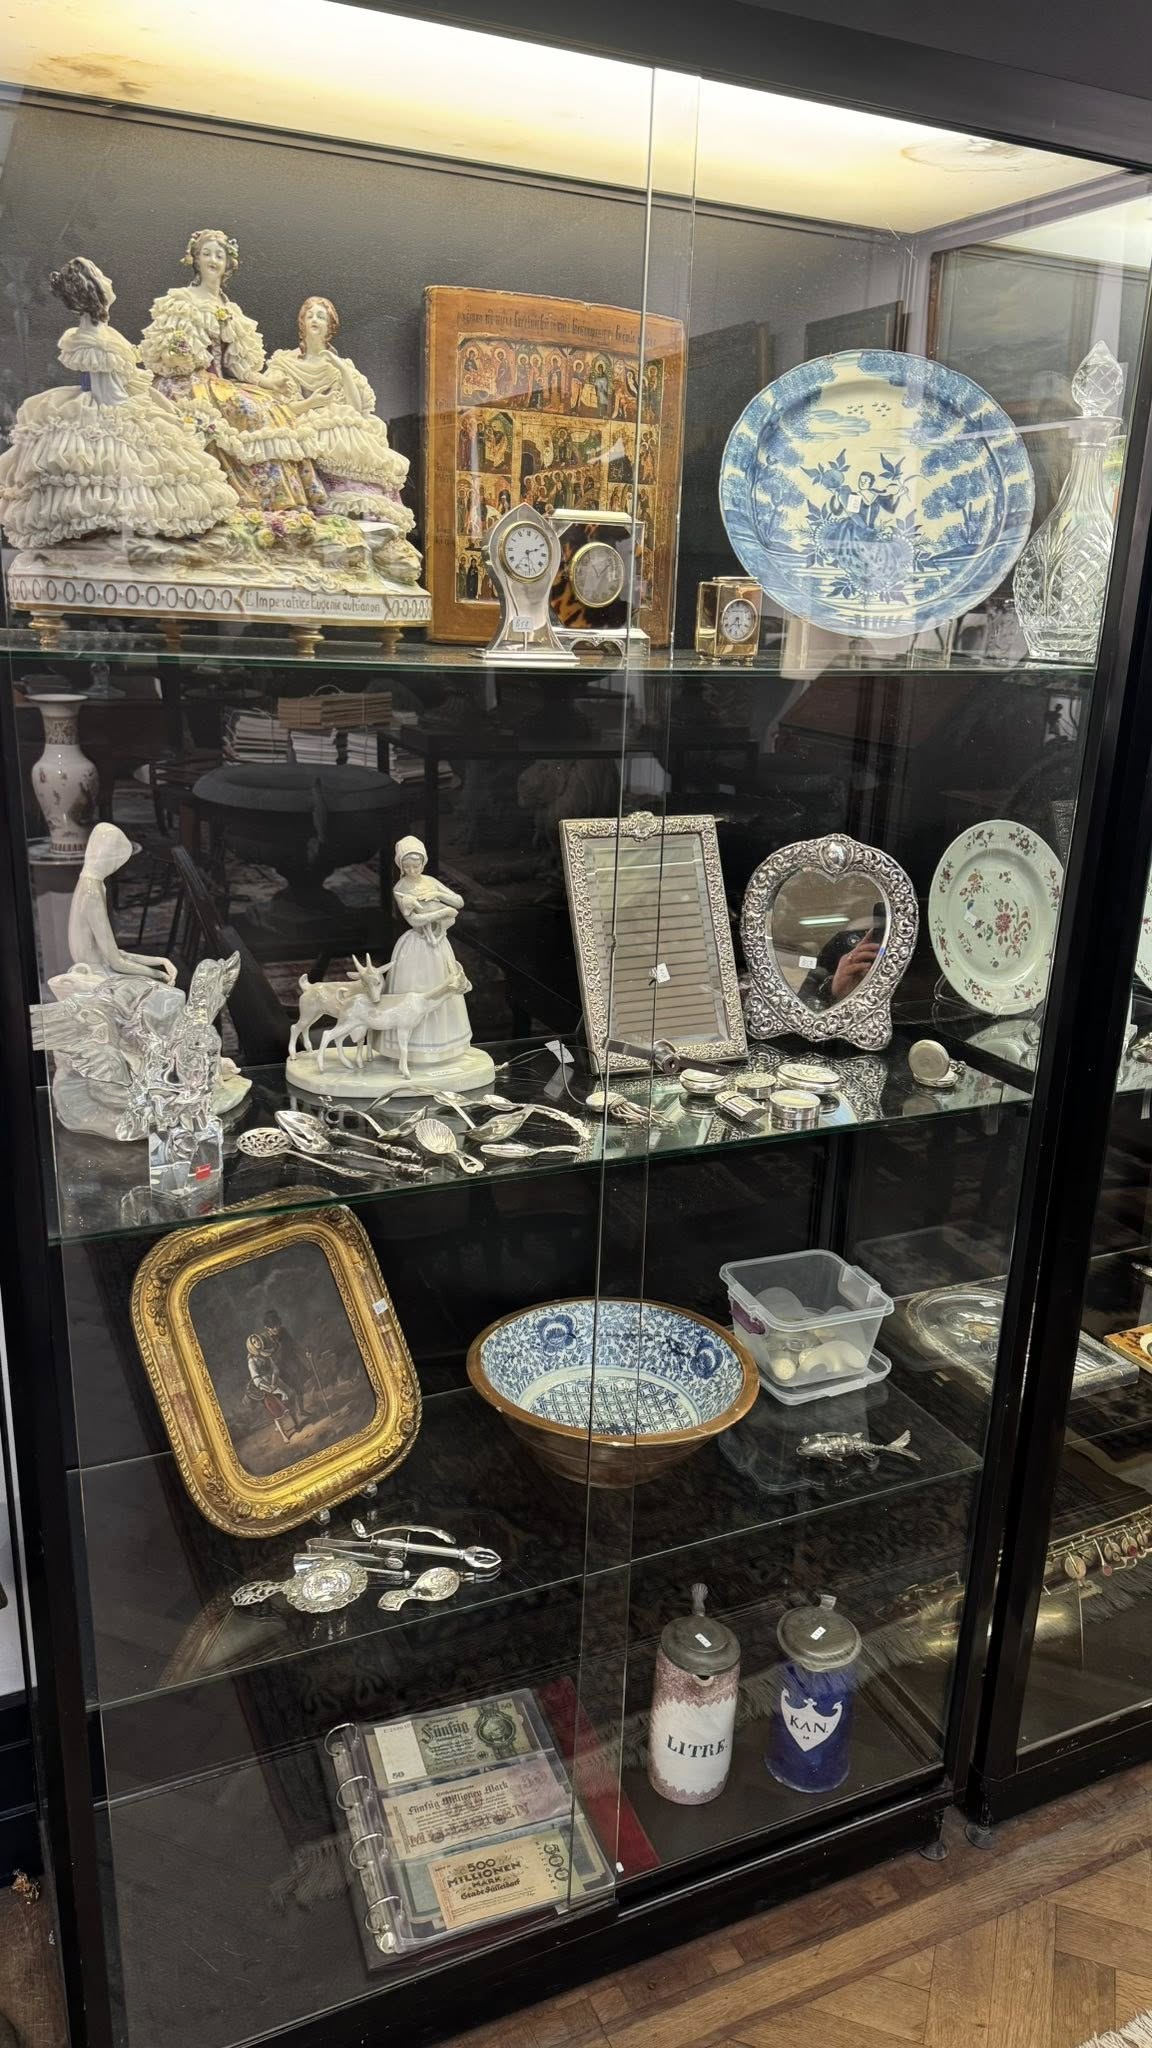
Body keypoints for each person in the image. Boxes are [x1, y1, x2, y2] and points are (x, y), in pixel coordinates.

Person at [0, 257, 237, 552]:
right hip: (107, 404)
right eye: (103, 278)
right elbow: (110, 392)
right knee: (111, 467)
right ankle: (104, 527)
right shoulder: (96, 338)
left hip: (109, 397)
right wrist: (145, 407)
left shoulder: (98, 332)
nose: (110, 282)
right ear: (94, 290)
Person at [139, 229, 325, 516]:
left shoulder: (231, 310)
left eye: (219, 255)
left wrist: (268, 382)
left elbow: (239, 365)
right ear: (195, 259)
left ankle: (276, 500)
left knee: (273, 408)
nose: (213, 260)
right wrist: (180, 352)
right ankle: (241, 497)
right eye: (206, 254)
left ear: (228, 263)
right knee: (244, 411)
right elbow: (164, 353)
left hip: (218, 382)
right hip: (186, 383)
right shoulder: (182, 301)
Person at [267, 295, 417, 539]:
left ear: (330, 327)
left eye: (321, 316)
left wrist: (342, 368)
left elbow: (357, 408)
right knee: (332, 428)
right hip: (301, 422)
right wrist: (312, 404)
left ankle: (362, 510)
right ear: (302, 323)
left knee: (350, 423)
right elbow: (277, 409)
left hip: (340, 426)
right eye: (309, 315)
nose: (314, 320)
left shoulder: (339, 364)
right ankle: (321, 505)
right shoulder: (285, 363)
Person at [388, 835, 473, 1067]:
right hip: (417, 945)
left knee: (444, 988)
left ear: (423, 863)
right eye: (407, 867)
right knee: (417, 991)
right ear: (400, 866)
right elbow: (414, 921)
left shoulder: (431, 881)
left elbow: (459, 902)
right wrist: (443, 913)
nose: (412, 871)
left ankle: (443, 1045)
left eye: (416, 866)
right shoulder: (400, 888)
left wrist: (438, 895)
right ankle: (414, 1049)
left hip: (438, 944)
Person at [67, 822, 176, 982]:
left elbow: (115, 954)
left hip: (101, 966)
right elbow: (116, 962)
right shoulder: (91, 892)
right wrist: (159, 975)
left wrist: (161, 961)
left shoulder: (88, 882)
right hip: (96, 976)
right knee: (163, 990)